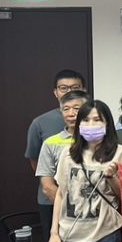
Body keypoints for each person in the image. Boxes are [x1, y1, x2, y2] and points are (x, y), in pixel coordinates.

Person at [46, 100, 122, 242]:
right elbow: (61, 194)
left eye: (97, 120)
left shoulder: (120, 152)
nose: (91, 124)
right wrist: (54, 232)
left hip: (104, 232)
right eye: (85, 120)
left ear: (107, 123)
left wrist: (112, 176)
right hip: (70, 233)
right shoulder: (68, 153)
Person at [26, 69, 86, 232]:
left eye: (75, 87)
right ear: (56, 92)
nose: (69, 92)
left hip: (89, 202)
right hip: (51, 199)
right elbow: (35, 161)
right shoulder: (40, 123)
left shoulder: (96, 121)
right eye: (63, 88)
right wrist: (56, 194)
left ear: (84, 90)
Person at [35, 90, 90, 237]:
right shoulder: (51, 143)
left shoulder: (97, 140)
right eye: (66, 109)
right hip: (64, 213)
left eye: (77, 108)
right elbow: (47, 186)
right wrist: (69, 209)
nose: (71, 113)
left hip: (95, 215)